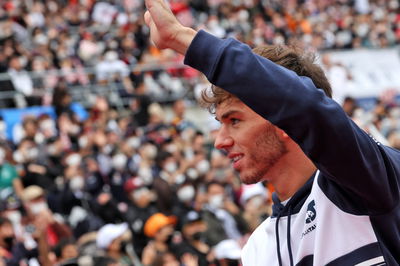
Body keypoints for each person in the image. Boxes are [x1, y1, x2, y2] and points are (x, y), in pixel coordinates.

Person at [144, 1, 400, 265]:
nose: (220, 141)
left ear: (285, 119)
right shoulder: (257, 248)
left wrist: (181, 38)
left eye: (234, 120)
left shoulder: (366, 182)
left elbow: (307, 107)